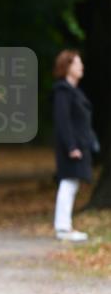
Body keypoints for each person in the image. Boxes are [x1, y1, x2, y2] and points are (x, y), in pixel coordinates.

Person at [52, 50, 94, 242]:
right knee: (68, 184)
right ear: (67, 67)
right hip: (70, 146)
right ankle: (62, 227)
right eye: (77, 63)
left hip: (79, 144)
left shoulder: (74, 91)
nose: (81, 67)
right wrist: (71, 146)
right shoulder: (63, 92)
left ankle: (65, 225)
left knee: (72, 184)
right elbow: (63, 122)